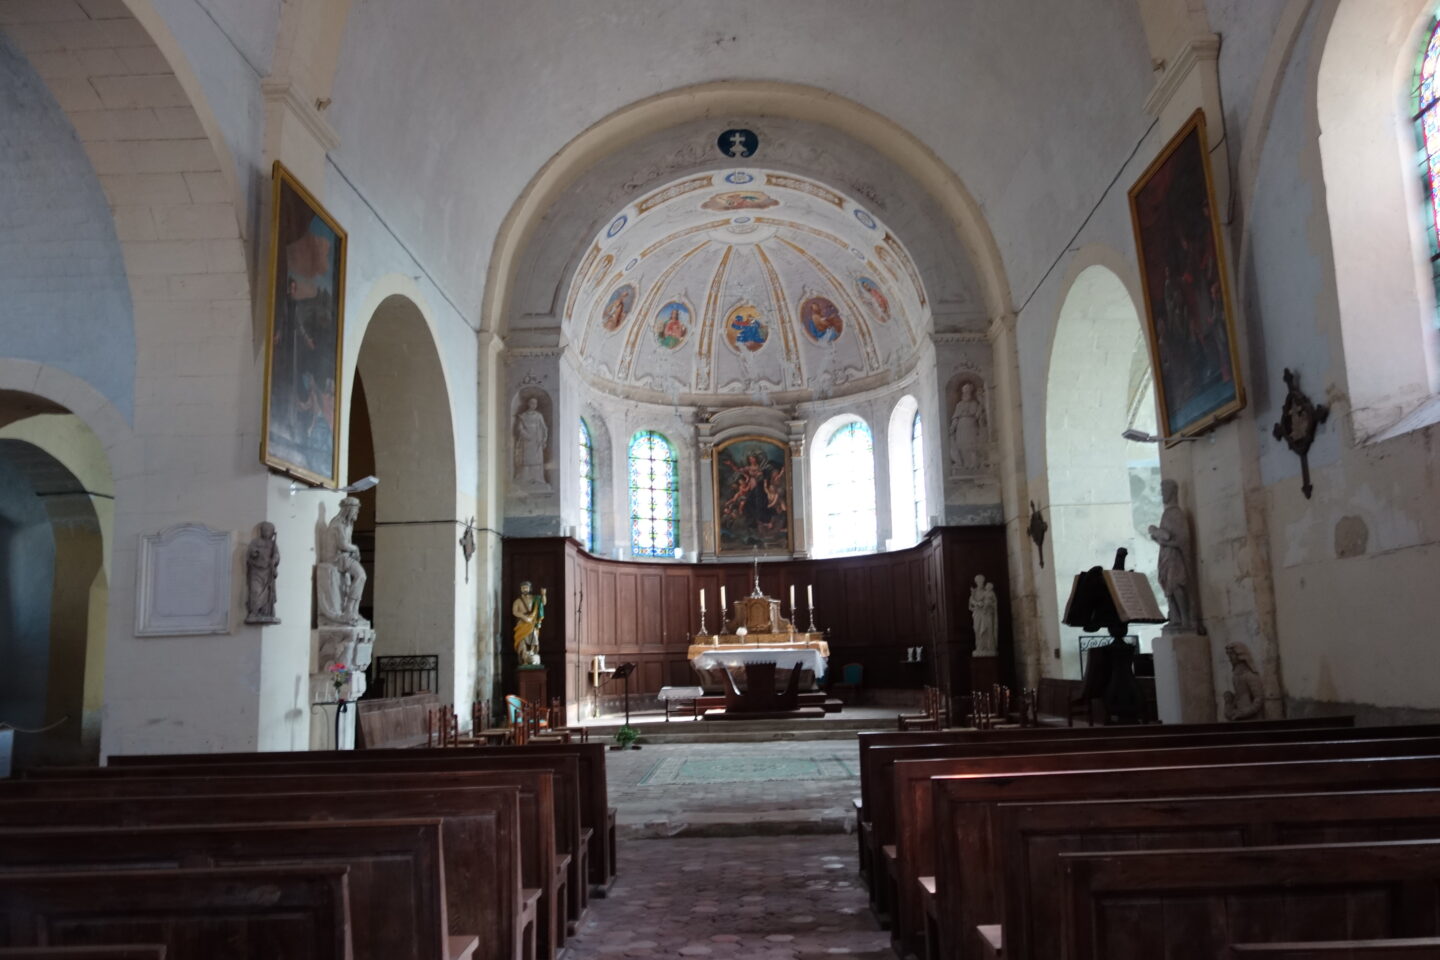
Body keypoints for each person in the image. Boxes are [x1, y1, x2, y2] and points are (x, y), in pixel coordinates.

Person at [1147, 478, 1197, 632]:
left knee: (1176, 585)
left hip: (1175, 557)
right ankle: (1175, 618)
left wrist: (1163, 537)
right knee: (1168, 587)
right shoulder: (1166, 514)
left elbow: (1183, 539)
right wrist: (1157, 536)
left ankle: (1185, 619)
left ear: (1173, 492)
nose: (1162, 494)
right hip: (1166, 557)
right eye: (1162, 491)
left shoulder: (1176, 514)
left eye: (1164, 491)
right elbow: (1166, 539)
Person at [321, 497, 367, 625]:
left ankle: (354, 610)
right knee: (361, 575)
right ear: (349, 510)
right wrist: (356, 549)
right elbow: (343, 545)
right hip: (335, 558)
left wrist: (353, 552)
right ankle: (349, 609)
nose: (357, 513)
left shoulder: (348, 524)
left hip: (344, 556)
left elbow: (346, 545)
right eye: (356, 510)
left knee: (361, 576)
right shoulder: (338, 524)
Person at [244, 521, 280, 624]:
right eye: (264, 530)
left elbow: (277, 555)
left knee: (267, 592)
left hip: (267, 572)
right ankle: (254, 612)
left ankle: (265, 612)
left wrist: (274, 559)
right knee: (255, 590)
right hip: (256, 571)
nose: (266, 532)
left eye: (269, 530)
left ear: (272, 532)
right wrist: (254, 553)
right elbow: (250, 553)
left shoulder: (273, 544)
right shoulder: (255, 542)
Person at [949, 381, 986, 472]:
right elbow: (955, 418)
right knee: (961, 445)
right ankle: (963, 465)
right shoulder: (959, 405)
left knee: (972, 445)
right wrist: (952, 427)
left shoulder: (974, 404)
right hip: (961, 427)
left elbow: (978, 416)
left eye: (968, 391)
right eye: (965, 392)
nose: (966, 393)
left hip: (971, 426)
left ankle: (973, 465)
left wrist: (981, 407)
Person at [1223, 641, 1264, 720]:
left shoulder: (1250, 675)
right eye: (1229, 654)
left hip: (1251, 718)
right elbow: (1240, 696)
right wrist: (1229, 699)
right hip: (1239, 715)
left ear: (1240, 655)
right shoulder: (1236, 676)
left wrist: (1244, 712)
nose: (1230, 657)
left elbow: (1259, 698)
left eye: (1232, 654)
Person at [514, 397, 548, 486]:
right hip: (527, 441)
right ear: (528, 404)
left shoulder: (539, 416)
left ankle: (537, 479)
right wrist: (525, 435)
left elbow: (544, 428)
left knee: (537, 460)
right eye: (532, 403)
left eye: (535, 403)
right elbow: (519, 428)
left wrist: (544, 439)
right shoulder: (523, 416)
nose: (534, 405)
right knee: (526, 460)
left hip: (537, 441)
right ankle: (525, 479)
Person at [512, 581, 546, 666]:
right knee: (522, 641)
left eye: (526, 588)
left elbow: (543, 603)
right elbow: (515, 612)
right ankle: (524, 659)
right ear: (521, 589)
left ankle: (532, 655)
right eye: (523, 588)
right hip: (522, 624)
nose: (525, 589)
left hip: (532, 622)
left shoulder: (534, 599)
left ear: (530, 589)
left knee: (534, 639)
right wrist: (524, 617)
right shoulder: (517, 601)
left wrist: (543, 594)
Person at [968, 574, 998, 656]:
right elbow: (970, 605)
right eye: (978, 581)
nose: (980, 583)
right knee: (977, 630)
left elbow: (994, 602)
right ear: (976, 582)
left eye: (981, 581)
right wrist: (977, 604)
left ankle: (989, 647)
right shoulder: (974, 592)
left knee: (988, 630)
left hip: (987, 614)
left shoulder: (988, 591)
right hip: (977, 614)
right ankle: (980, 647)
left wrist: (988, 604)